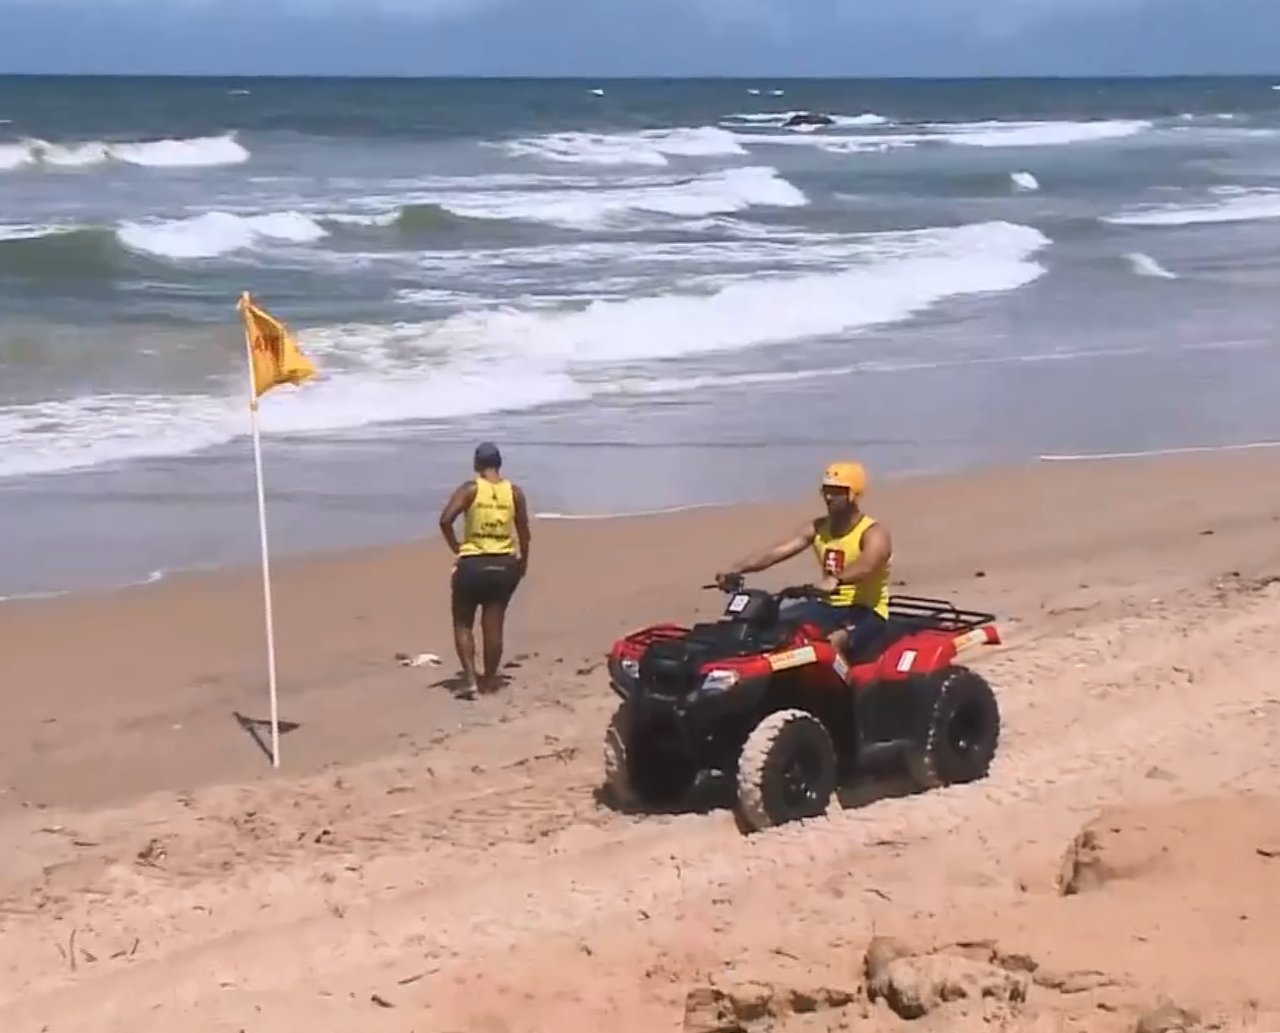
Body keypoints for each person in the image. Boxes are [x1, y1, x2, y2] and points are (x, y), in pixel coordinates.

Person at [714, 461, 892, 661]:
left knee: (833, 643)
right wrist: (737, 569)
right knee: (776, 629)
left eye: (836, 491)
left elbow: (868, 564)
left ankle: (843, 689)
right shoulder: (818, 528)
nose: (829, 497)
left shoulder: (873, 532)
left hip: (867, 611)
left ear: (853, 494)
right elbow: (776, 552)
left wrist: (837, 580)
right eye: (825, 491)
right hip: (825, 606)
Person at [438, 442, 531, 697]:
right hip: (504, 565)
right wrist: (523, 561)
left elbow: (446, 520)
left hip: (473, 564)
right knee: (494, 624)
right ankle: (488, 680)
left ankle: (469, 678)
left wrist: (458, 547)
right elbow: (524, 532)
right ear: (499, 463)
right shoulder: (514, 492)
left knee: (463, 622)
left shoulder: (470, 489)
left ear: (476, 465)